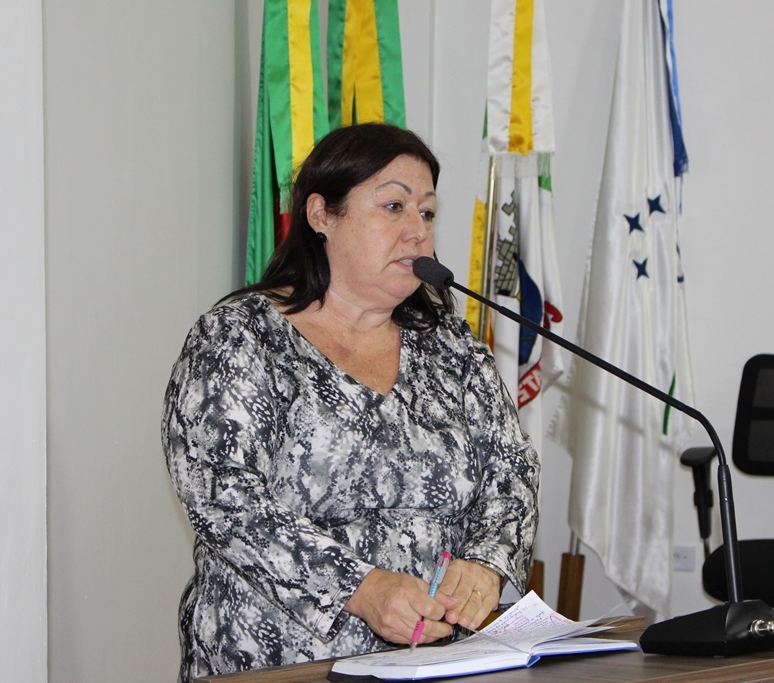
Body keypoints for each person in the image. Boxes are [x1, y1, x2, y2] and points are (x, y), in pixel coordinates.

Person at [161, 122, 540, 682]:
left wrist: (485, 565)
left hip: (435, 663)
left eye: (428, 213)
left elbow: (512, 474)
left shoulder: (450, 347)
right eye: (394, 206)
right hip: (276, 663)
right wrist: (360, 588)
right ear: (321, 215)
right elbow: (224, 496)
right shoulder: (240, 338)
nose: (417, 231)